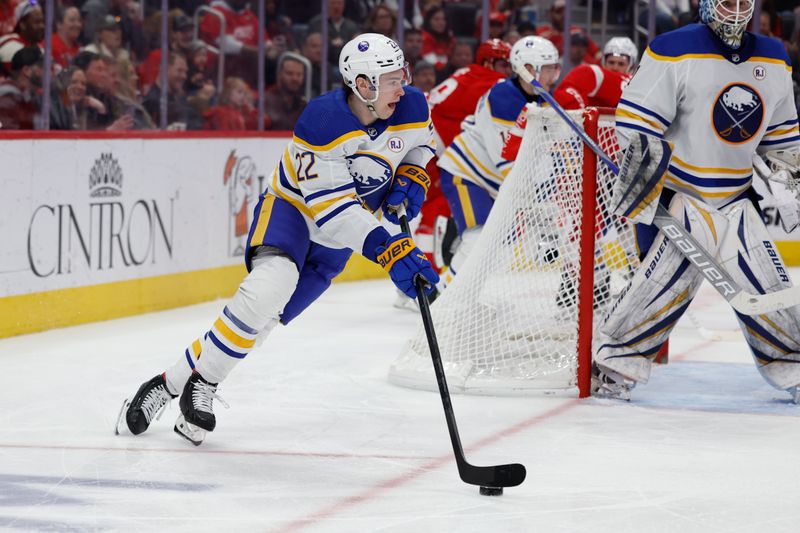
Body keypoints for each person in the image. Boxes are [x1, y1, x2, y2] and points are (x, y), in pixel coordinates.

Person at [116, 33, 439, 445]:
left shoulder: (411, 105)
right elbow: (334, 212)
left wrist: (414, 173)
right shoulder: (322, 122)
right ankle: (207, 384)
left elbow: (423, 143)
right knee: (270, 287)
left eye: (401, 75)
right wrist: (391, 251)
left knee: (265, 318)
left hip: (339, 241)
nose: (403, 85)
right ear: (362, 84)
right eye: (391, 79)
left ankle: (169, 383)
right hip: (295, 211)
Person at [592, 0, 800, 403]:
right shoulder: (673, 48)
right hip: (679, 196)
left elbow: (782, 140)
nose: (736, 11)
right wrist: (647, 195)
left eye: (744, 2)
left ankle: (793, 365)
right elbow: (637, 126)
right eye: (727, 1)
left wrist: (789, 183)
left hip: (736, 199)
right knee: (661, 286)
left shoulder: (774, 56)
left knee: (768, 286)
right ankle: (613, 366)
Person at [436, 36, 560, 289]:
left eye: (554, 68)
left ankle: (466, 298)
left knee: (497, 250)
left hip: (497, 184)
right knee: (477, 240)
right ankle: (439, 299)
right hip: (468, 175)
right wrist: (540, 204)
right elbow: (506, 160)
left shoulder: (541, 99)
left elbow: (545, 155)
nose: (553, 75)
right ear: (527, 69)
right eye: (547, 69)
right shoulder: (504, 97)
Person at [420, 39, 512, 268]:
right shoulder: (494, 82)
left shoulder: (468, 73)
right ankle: (422, 278)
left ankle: (424, 275)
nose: (509, 72)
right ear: (489, 62)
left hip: (427, 145)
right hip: (435, 150)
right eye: (504, 65)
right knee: (438, 210)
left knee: (437, 210)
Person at [536, 0, 600, 65]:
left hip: (580, 69)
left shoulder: (577, 31)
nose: (563, 15)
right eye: (559, 12)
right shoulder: (541, 33)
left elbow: (597, 54)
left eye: (566, 12)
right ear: (550, 14)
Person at [0, 46, 42, 129]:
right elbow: (9, 137)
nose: (52, 72)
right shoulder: (7, 97)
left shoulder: (30, 96)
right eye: (44, 67)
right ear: (26, 70)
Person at [264, 53, 307, 131]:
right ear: (279, 75)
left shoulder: (304, 106)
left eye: (299, 74)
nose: (295, 78)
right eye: (290, 73)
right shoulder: (265, 101)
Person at [0, 0, 44, 74]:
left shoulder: (40, 47)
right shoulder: (10, 46)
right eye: (37, 22)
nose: (42, 26)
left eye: (42, 22)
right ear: (22, 25)